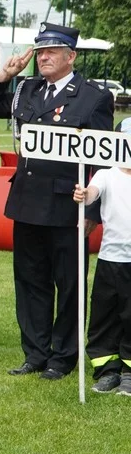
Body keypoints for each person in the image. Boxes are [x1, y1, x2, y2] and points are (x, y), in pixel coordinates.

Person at [0, 22, 114, 379]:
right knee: (30, 280)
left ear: (72, 56)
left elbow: (100, 159)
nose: (44, 57)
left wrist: (93, 211)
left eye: (51, 51)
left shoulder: (93, 96)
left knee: (68, 285)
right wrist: (5, 75)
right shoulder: (28, 90)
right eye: (40, 51)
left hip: (68, 205)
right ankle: (34, 353)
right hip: (27, 201)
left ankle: (62, 357)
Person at [74, 166, 131, 395]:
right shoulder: (106, 174)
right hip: (110, 258)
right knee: (104, 313)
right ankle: (107, 370)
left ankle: (129, 373)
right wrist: (84, 195)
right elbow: (92, 193)